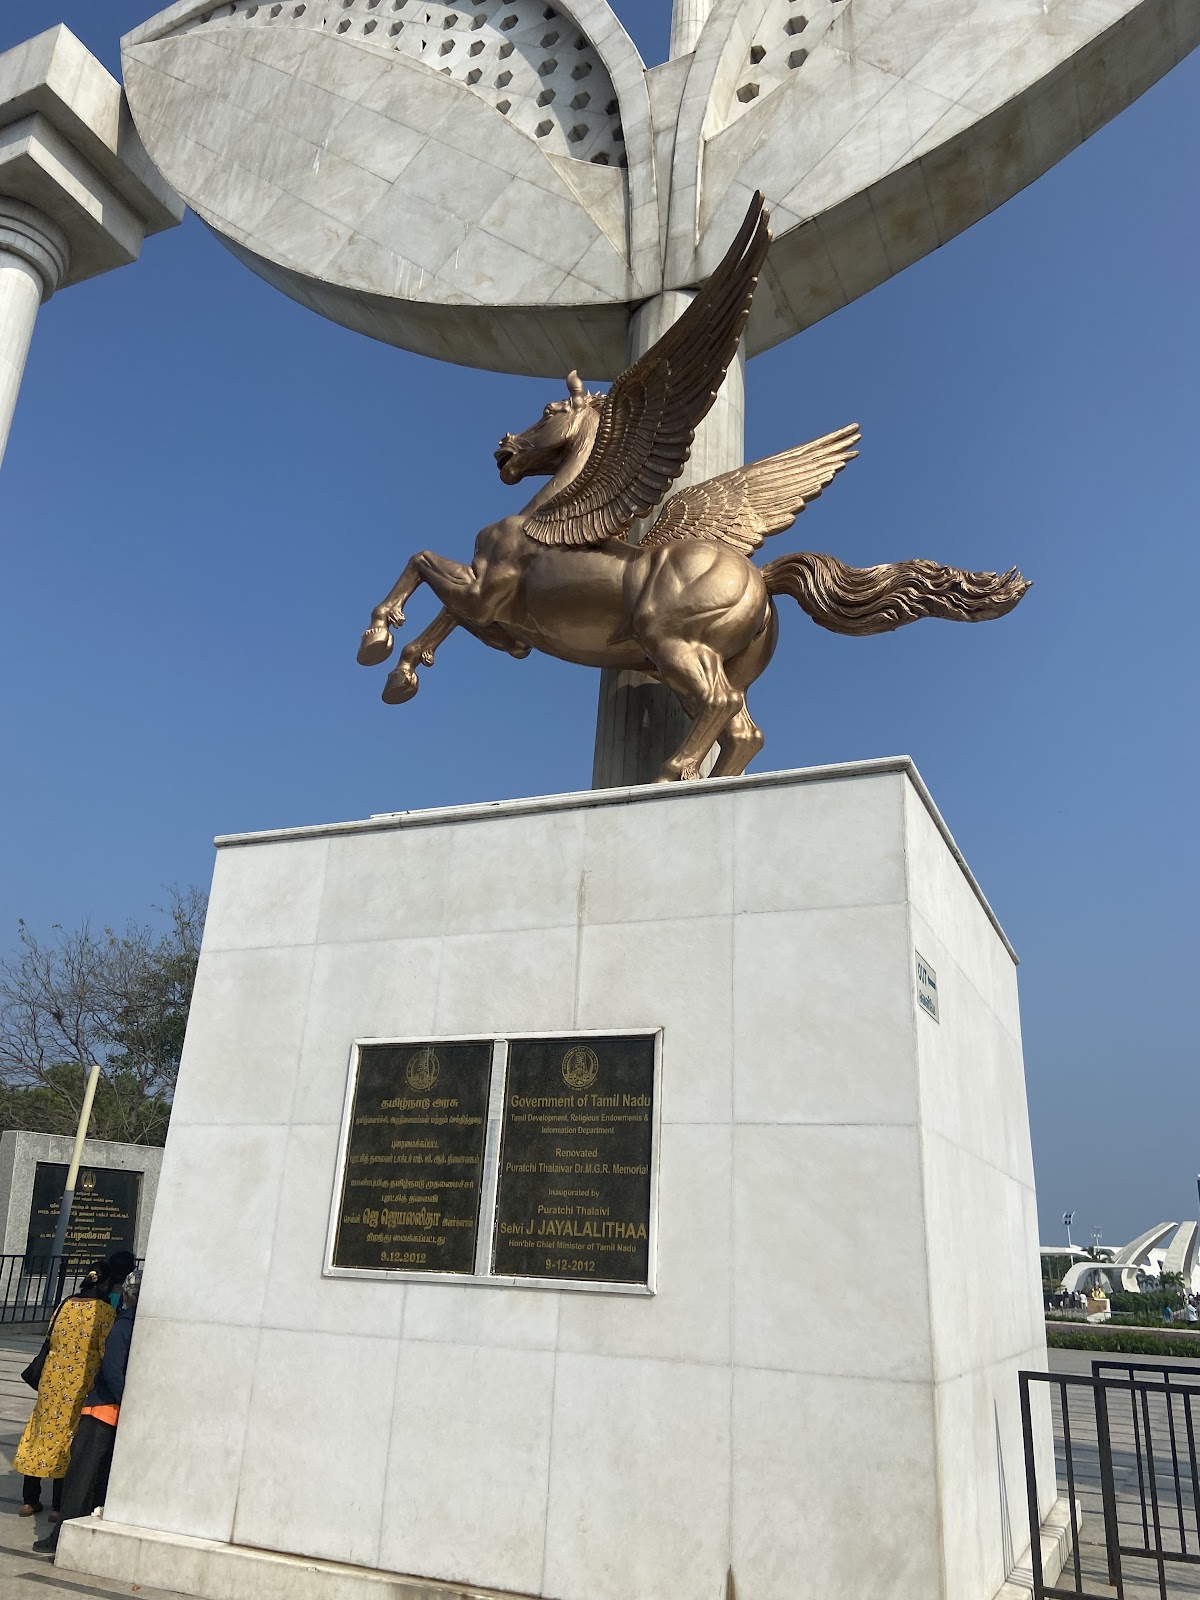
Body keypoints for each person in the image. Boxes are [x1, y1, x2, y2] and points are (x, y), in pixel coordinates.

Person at [34, 1269, 141, 1556]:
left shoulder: (123, 1325)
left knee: (79, 1481)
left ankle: (61, 1537)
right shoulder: (136, 1326)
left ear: (129, 1295)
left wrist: (125, 1401)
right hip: (115, 1413)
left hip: (101, 1411)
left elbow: (111, 1371)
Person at [14, 1260, 119, 1517]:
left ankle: (29, 1500)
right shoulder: (105, 1313)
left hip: (50, 1380)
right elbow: (105, 1352)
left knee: (40, 1433)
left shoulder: (64, 1305)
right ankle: (58, 1506)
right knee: (67, 1440)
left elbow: (51, 1338)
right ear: (105, 1283)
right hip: (79, 1384)